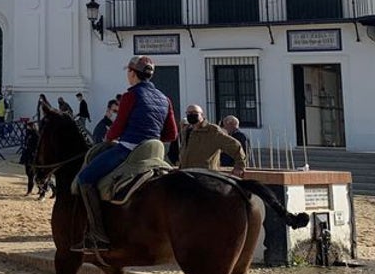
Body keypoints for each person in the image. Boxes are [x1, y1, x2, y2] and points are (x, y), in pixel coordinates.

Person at [73, 56, 178, 251]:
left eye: (127, 72)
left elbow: (116, 128)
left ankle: (98, 235)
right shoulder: (165, 99)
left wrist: (109, 138)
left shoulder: (130, 96)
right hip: (155, 154)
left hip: (128, 150)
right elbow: (171, 134)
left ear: (132, 73)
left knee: (84, 179)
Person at [178, 104, 246, 174]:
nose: (191, 115)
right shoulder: (186, 130)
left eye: (194, 113)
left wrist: (239, 166)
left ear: (202, 115)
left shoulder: (212, 131)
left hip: (206, 175)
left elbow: (235, 146)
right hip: (187, 173)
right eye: (188, 113)